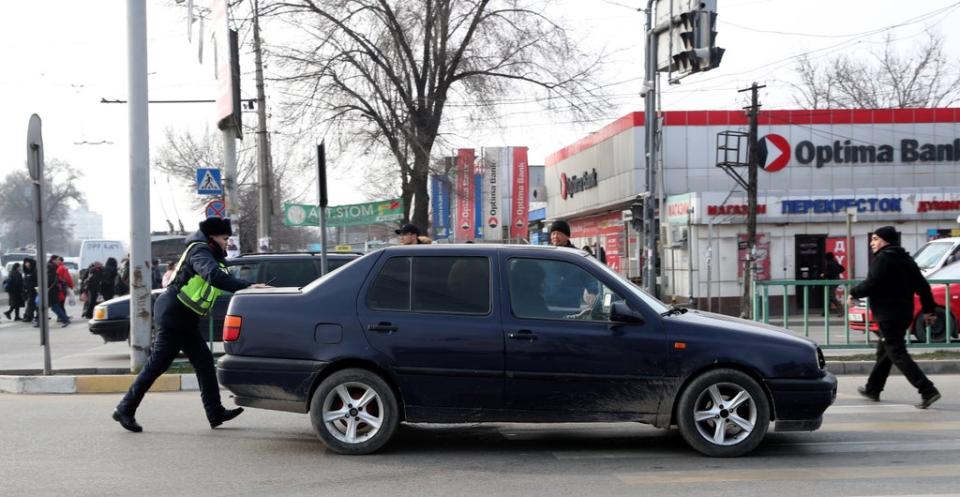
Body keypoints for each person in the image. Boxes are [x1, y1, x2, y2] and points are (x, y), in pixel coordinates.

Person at [113, 217, 269, 433]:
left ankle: (215, 412)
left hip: (185, 316)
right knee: (157, 365)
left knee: (204, 364)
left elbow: (218, 277)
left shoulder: (211, 254)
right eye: (225, 238)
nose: (227, 243)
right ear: (212, 237)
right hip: (173, 313)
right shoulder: (199, 251)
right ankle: (125, 409)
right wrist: (248, 286)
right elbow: (213, 276)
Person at [848, 226, 941, 409]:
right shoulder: (906, 259)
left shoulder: (882, 259)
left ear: (884, 241)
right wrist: (929, 310)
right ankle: (873, 388)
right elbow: (923, 287)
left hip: (888, 315)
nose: (871, 243)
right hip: (903, 314)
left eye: (875, 239)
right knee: (885, 352)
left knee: (896, 352)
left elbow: (872, 283)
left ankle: (927, 390)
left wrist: (853, 293)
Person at [820, 252, 845, 317]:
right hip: (835, 281)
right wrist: (837, 273)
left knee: (831, 296)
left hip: (831, 281)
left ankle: (842, 311)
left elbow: (831, 273)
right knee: (828, 296)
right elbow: (842, 268)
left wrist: (824, 275)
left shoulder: (829, 263)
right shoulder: (835, 262)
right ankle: (825, 312)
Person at [47, 255, 70, 327]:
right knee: (54, 306)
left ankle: (65, 319)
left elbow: (52, 280)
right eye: (57, 260)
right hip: (52, 289)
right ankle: (65, 319)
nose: (58, 261)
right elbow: (51, 279)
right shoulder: (51, 267)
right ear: (53, 260)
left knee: (54, 306)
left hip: (52, 290)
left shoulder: (52, 267)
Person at [21, 258, 38, 323]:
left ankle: (30, 316)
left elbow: (36, 281)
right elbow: (25, 281)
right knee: (31, 304)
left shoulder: (35, 271)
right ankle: (30, 316)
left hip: (35, 290)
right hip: (28, 291)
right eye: (25, 263)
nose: (26, 264)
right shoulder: (26, 271)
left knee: (32, 304)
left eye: (27, 262)